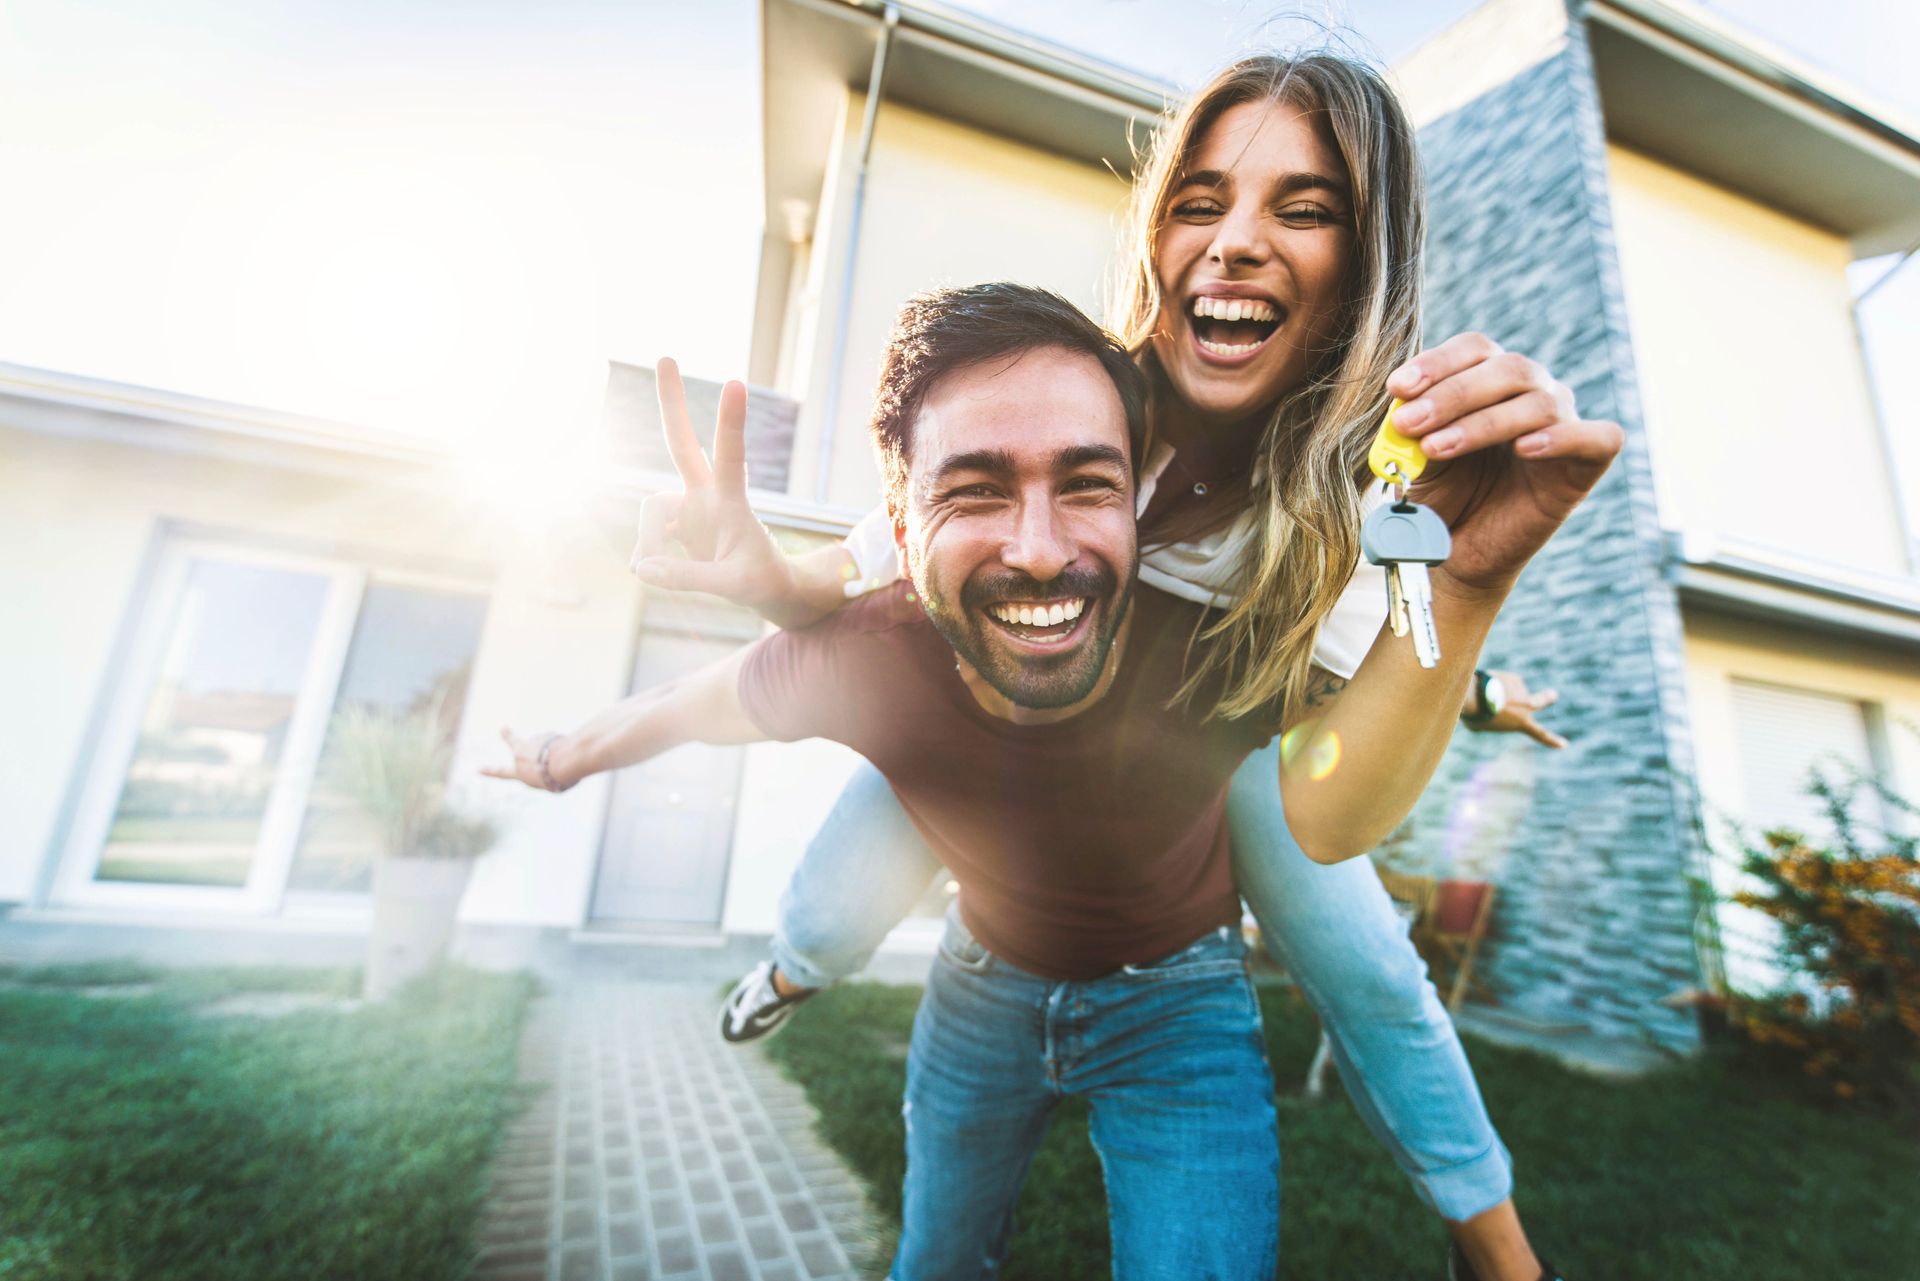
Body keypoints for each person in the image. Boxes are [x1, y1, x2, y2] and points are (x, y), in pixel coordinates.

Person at [631, 53, 1590, 1281]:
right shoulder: (1063, 399)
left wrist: (1479, 651)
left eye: (1303, 209)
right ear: (1158, 234)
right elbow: (836, 589)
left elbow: (1358, 717)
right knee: (860, 851)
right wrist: (754, 568)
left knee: (1372, 974)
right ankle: (789, 971)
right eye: (1203, 201)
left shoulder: (1374, 487)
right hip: (1014, 716)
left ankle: (1496, 1244)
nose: (1238, 244)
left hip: (1209, 750)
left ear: (1364, 263)